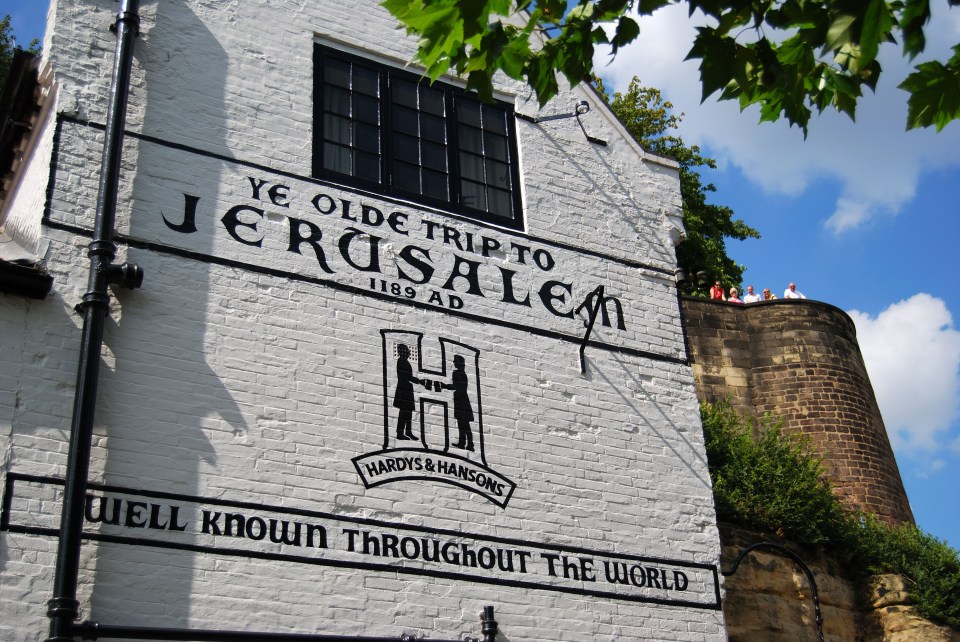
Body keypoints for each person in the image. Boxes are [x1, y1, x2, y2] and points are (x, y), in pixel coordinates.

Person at [442, 355, 475, 451]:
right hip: (462, 399)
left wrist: (446, 386)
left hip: (461, 400)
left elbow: (457, 386)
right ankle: (465, 443)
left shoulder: (457, 373)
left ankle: (468, 444)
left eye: (455, 361)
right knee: (463, 423)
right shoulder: (463, 373)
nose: (454, 363)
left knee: (464, 423)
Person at [393, 344, 422, 441]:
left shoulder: (404, 361)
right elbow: (406, 376)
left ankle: (408, 431)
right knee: (404, 412)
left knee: (408, 411)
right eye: (407, 351)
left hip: (407, 388)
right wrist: (418, 380)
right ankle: (400, 433)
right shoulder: (402, 361)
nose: (409, 352)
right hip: (403, 388)